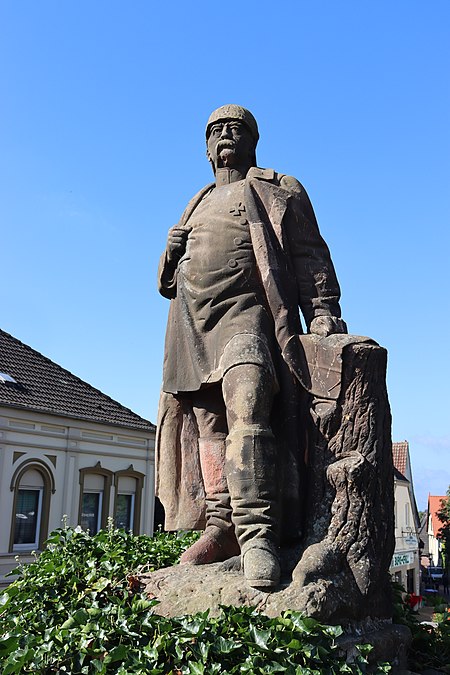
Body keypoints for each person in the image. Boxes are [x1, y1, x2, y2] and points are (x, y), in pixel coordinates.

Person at [156, 105, 346, 588]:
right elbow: (166, 283)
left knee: (250, 403)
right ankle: (221, 525)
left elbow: (308, 252)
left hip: (250, 316)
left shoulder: (276, 187)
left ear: (252, 140)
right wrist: (169, 254)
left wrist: (323, 309)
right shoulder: (195, 201)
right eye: (214, 131)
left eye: (234, 129)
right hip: (193, 326)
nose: (224, 136)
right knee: (208, 427)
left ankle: (258, 534)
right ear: (204, 147)